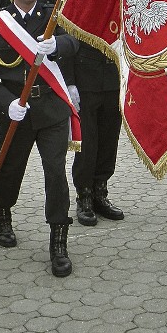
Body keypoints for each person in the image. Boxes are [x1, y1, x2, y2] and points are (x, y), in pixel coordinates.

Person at [0, 0, 79, 277]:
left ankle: (58, 240)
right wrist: (5, 102)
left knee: (55, 173)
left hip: (50, 109)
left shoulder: (53, 16)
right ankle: (3, 213)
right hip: (15, 113)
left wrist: (58, 46)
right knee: (11, 169)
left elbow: (77, 43)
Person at [71, 41, 124, 226]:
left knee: (109, 139)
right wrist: (69, 82)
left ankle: (100, 192)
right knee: (87, 142)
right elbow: (68, 39)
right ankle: (84, 195)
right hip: (85, 77)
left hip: (114, 76)